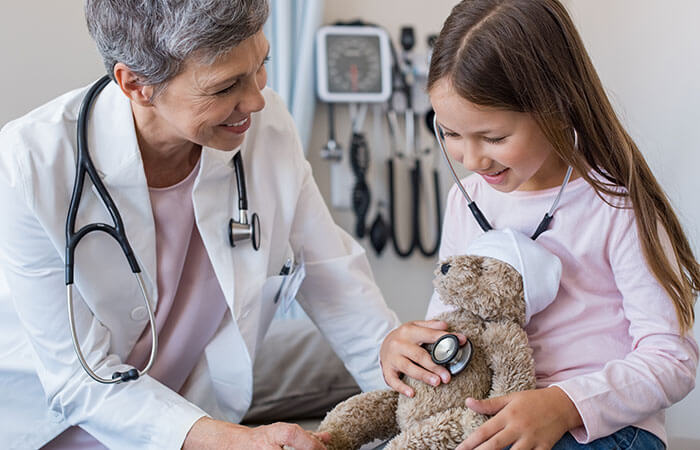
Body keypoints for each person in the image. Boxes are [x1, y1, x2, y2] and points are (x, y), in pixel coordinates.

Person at [0, 1, 400, 448]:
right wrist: (232, 440)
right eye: (225, 86)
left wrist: (406, 391)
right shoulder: (30, 164)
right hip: (62, 426)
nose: (255, 100)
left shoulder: (268, 127)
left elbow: (329, 273)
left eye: (260, 65)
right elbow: (80, 380)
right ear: (136, 84)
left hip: (197, 399)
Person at [379, 0, 700, 448]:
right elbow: (451, 323)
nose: (472, 160)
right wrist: (405, 349)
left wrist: (563, 403)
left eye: (494, 137)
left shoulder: (616, 207)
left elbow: (672, 360)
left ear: (556, 107)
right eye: (451, 133)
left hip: (602, 427)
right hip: (494, 413)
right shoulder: (465, 200)